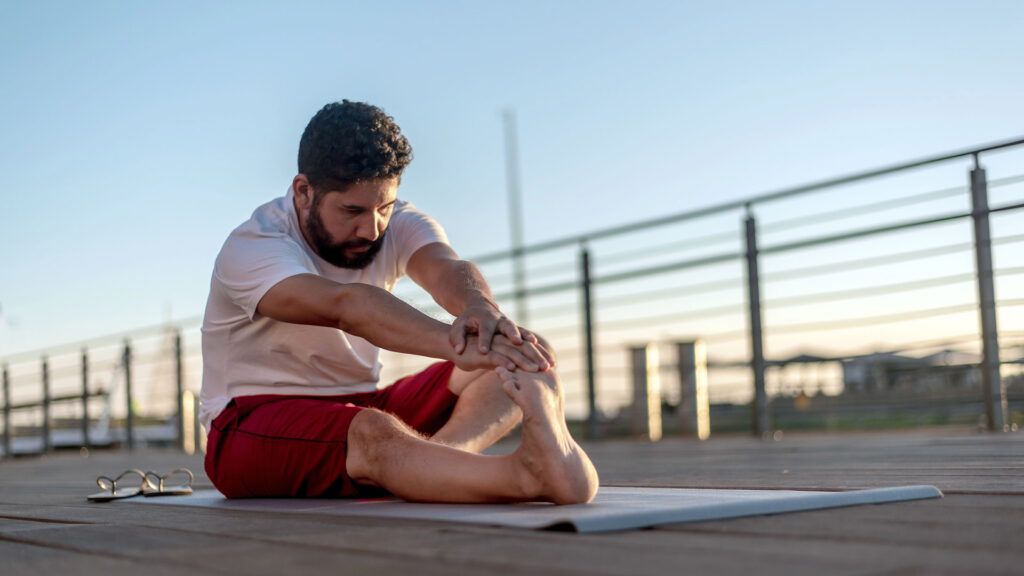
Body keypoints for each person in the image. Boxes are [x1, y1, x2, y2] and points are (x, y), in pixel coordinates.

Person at [199, 100, 598, 504]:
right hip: (248, 424)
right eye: (352, 210)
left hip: (365, 403)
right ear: (304, 191)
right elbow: (346, 306)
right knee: (373, 431)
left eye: (384, 208)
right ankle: (525, 478)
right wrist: (459, 344)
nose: (371, 229)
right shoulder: (254, 244)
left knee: (518, 355)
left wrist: (481, 310)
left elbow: (444, 267)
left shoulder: (398, 221)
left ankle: (437, 468)